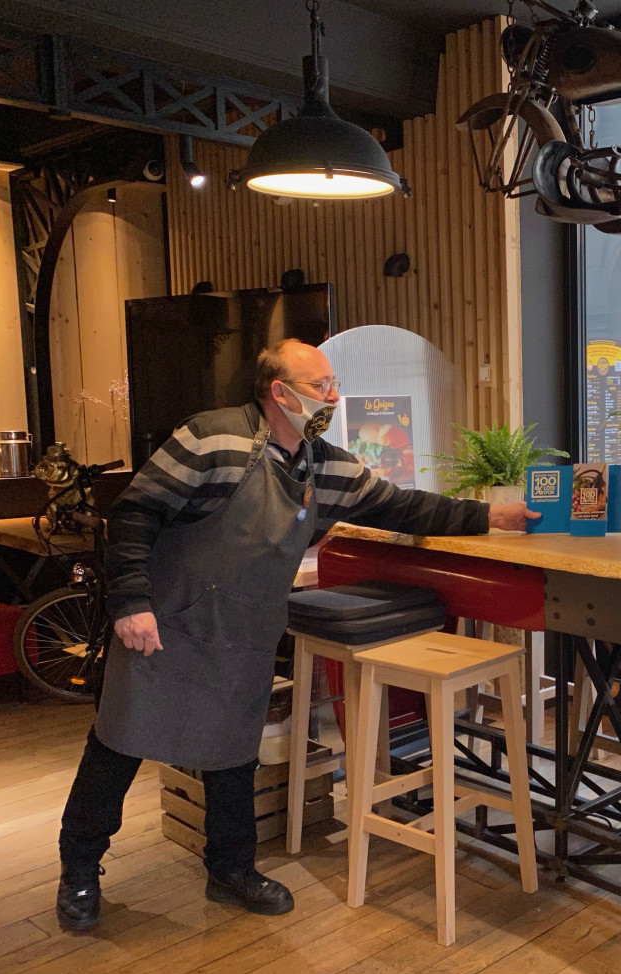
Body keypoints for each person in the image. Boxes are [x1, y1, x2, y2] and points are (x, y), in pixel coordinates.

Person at [56, 338, 538, 931]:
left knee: (232, 753)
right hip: (165, 623)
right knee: (119, 744)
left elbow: (402, 507)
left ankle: (231, 870)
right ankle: (79, 870)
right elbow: (134, 513)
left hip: (245, 633)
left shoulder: (327, 465)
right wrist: (130, 602)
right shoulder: (210, 439)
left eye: (333, 385)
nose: (333, 397)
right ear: (278, 392)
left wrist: (493, 516)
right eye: (321, 387)